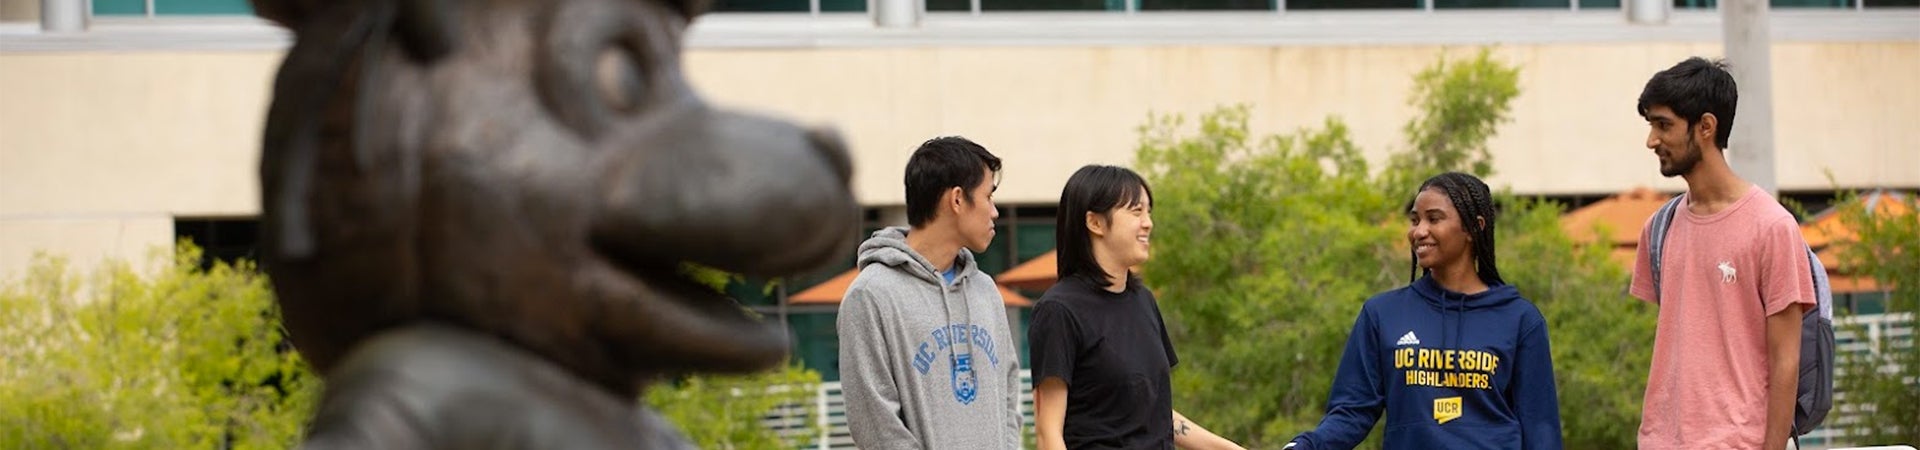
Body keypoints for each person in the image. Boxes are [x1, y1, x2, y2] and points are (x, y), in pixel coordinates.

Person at [1285, 172, 1562, 450]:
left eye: (1434, 218)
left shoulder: (1520, 320)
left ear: (1473, 228)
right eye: (1415, 220)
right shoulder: (1383, 314)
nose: (1418, 231)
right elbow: (1351, 413)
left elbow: (1541, 428)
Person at [1629, 57, 1815, 450]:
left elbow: (1786, 361)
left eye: (1663, 125)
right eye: (1651, 126)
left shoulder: (1772, 227)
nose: (1651, 141)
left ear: (1706, 126)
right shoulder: (1659, 229)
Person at [1028, 164, 1244, 450]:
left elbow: (1151, 413)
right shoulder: (1058, 310)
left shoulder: (1143, 300)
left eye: (1148, 212)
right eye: (1136, 211)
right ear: (1095, 223)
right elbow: (1048, 434)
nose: (1148, 223)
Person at [837, 136, 1022, 449]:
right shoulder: (870, 296)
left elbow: (1008, 394)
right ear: (958, 199)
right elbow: (875, 424)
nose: (995, 212)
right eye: (988, 197)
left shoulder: (986, 291)